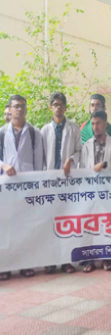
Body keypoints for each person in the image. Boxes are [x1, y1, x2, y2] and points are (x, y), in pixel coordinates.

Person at [0, 95, 44, 281]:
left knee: (25, 227)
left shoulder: (34, 133)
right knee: (6, 227)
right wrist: (3, 165)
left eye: (22, 106)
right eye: (16, 106)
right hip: (6, 189)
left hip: (28, 189)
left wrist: (37, 188)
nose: (19, 109)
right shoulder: (2, 133)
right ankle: (5, 266)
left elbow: (39, 164)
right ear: (9, 109)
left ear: (26, 110)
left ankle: (26, 264)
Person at [40, 92, 82, 275]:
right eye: (55, 104)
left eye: (61, 104)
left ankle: (66, 260)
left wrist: (70, 160)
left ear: (65, 107)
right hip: (50, 181)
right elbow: (40, 157)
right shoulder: (43, 130)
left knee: (66, 221)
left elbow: (79, 151)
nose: (58, 107)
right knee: (50, 222)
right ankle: (50, 261)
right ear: (51, 107)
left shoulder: (74, 128)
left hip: (67, 181)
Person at [80, 110, 111, 272]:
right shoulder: (86, 145)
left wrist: (105, 165)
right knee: (90, 225)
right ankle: (90, 259)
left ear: (105, 123)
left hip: (108, 191)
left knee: (106, 224)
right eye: (92, 124)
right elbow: (83, 168)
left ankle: (106, 258)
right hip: (91, 190)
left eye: (98, 123)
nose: (95, 127)